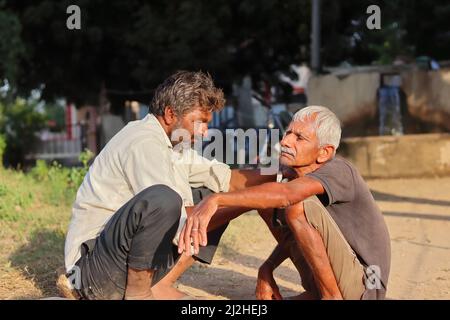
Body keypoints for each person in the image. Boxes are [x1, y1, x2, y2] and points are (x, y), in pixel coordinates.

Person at [62, 71, 276, 300]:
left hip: (115, 259)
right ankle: (139, 295)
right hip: (94, 271)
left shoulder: (174, 144)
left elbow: (225, 178)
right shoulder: (143, 143)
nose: (204, 131)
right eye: (199, 122)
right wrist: (241, 203)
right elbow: (175, 220)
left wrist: (282, 175)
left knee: (212, 192)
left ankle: (160, 285)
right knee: (166, 200)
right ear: (170, 114)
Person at [179, 106, 391, 300]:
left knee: (296, 205)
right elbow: (300, 231)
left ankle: (330, 297)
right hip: (334, 280)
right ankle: (319, 292)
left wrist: (215, 199)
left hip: (366, 285)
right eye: (288, 133)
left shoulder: (340, 171)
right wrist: (267, 267)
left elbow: (288, 195)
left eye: (299, 138)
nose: (285, 142)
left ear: (324, 152)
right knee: (267, 202)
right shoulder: (293, 174)